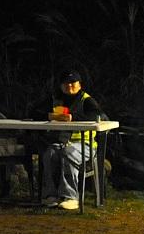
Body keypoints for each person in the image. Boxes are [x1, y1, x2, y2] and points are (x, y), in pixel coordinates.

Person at [41, 70, 106, 209]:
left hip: (85, 145)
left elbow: (100, 117)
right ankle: (50, 195)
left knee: (68, 153)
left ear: (79, 84)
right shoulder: (55, 99)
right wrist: (48, 116)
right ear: (60, 85)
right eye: (66, 83)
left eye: (72, 83)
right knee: (49, 154)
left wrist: (73, 118)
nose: (69, 86)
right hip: (61, 142)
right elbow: (35, 112)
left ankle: (70, 197)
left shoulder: (87, 100)